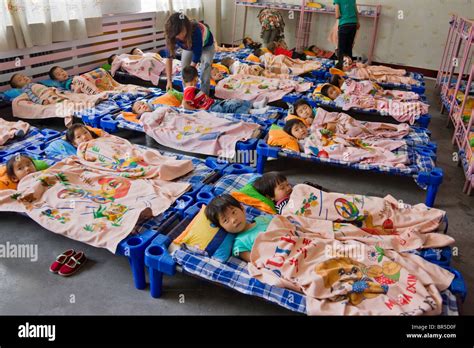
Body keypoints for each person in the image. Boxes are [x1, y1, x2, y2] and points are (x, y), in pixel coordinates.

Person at [205, 194, 272, 261]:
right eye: (225, 220)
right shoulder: (239, 245)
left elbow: (280, 223)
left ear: (242, 209)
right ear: (222, 228)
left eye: (234, 212)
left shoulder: (263, 219)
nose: (233, 220)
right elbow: (257, 260)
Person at [164, 13, 215, 96]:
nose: (181, 36)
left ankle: (204, 96)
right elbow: (169, 59)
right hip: (189, 46)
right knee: (184, 69)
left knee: (206, 67)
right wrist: (169, 81)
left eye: (182, 32)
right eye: (178, 34)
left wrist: (192, 77)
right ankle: (187, 93)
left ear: (187, 27)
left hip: (206, 45)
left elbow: (196, 55)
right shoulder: (172, 36)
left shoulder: (196, 31)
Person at [181, 66, 268, 114]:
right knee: (232, 105)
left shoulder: (192, 89)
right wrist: (197, 111)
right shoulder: (189, 90)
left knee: (234, 103)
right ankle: (253, 110)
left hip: (213, 103)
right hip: (211, 108)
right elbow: (184, 105)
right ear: (196, 78)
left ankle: (255, 105)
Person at [334, 0, 359, 69]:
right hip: (353, 24)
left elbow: (337, 15)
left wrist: (342, 16)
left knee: (341, 49)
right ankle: (349, 67)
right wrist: (357, 22)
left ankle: (340, 67)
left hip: (344, 24)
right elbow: (356, 11)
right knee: (349, 47)